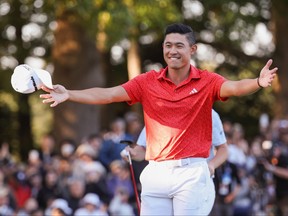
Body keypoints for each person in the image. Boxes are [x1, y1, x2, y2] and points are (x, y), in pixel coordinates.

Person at [40, 23, 277, 215]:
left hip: (191, 173)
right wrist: (69, 94)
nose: (172, 50)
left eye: (179, 46)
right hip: (156, 173)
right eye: (168, 45)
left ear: (192, 50)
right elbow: (109, 94)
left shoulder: (207, 81)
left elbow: (234, 87)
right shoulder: (146, 82)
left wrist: (257, 82)